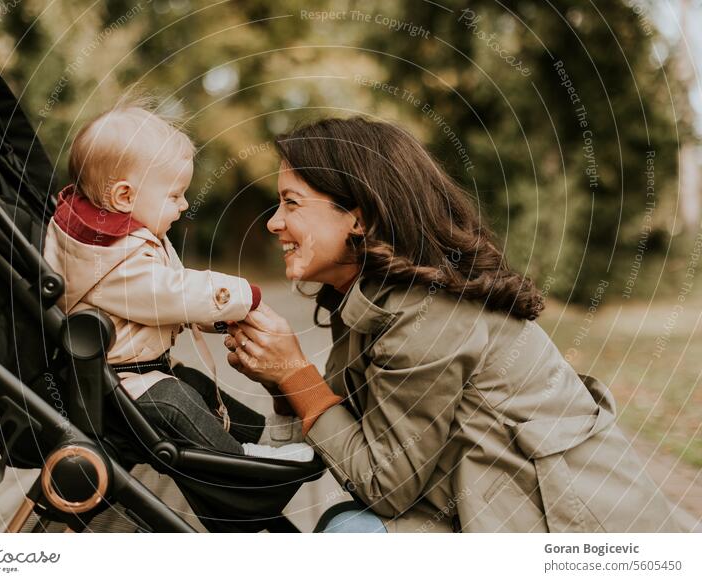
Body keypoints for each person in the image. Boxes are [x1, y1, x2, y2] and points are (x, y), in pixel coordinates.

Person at [225, 116, 681, 532]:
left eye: (291, 202)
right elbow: (347, 433)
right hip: (487, 513)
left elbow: (383, 485)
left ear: (358, 218)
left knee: (351, 536)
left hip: (574, 540)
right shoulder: (372, 300)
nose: (273, 222)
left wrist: (294, 375)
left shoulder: (427, 318)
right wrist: (281, 381)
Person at [43, 101, 311, 462]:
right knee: (176, 401)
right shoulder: (106, 256)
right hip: (116, 388)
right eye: (174, 195)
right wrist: (242, 296)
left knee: (196, 385)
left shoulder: (118, 239)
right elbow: (170, 292)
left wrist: (218, 318)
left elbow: (165, 296)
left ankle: (270, 436)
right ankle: (238, 459)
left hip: (136, 375)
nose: (184, 205)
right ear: (124, 196)